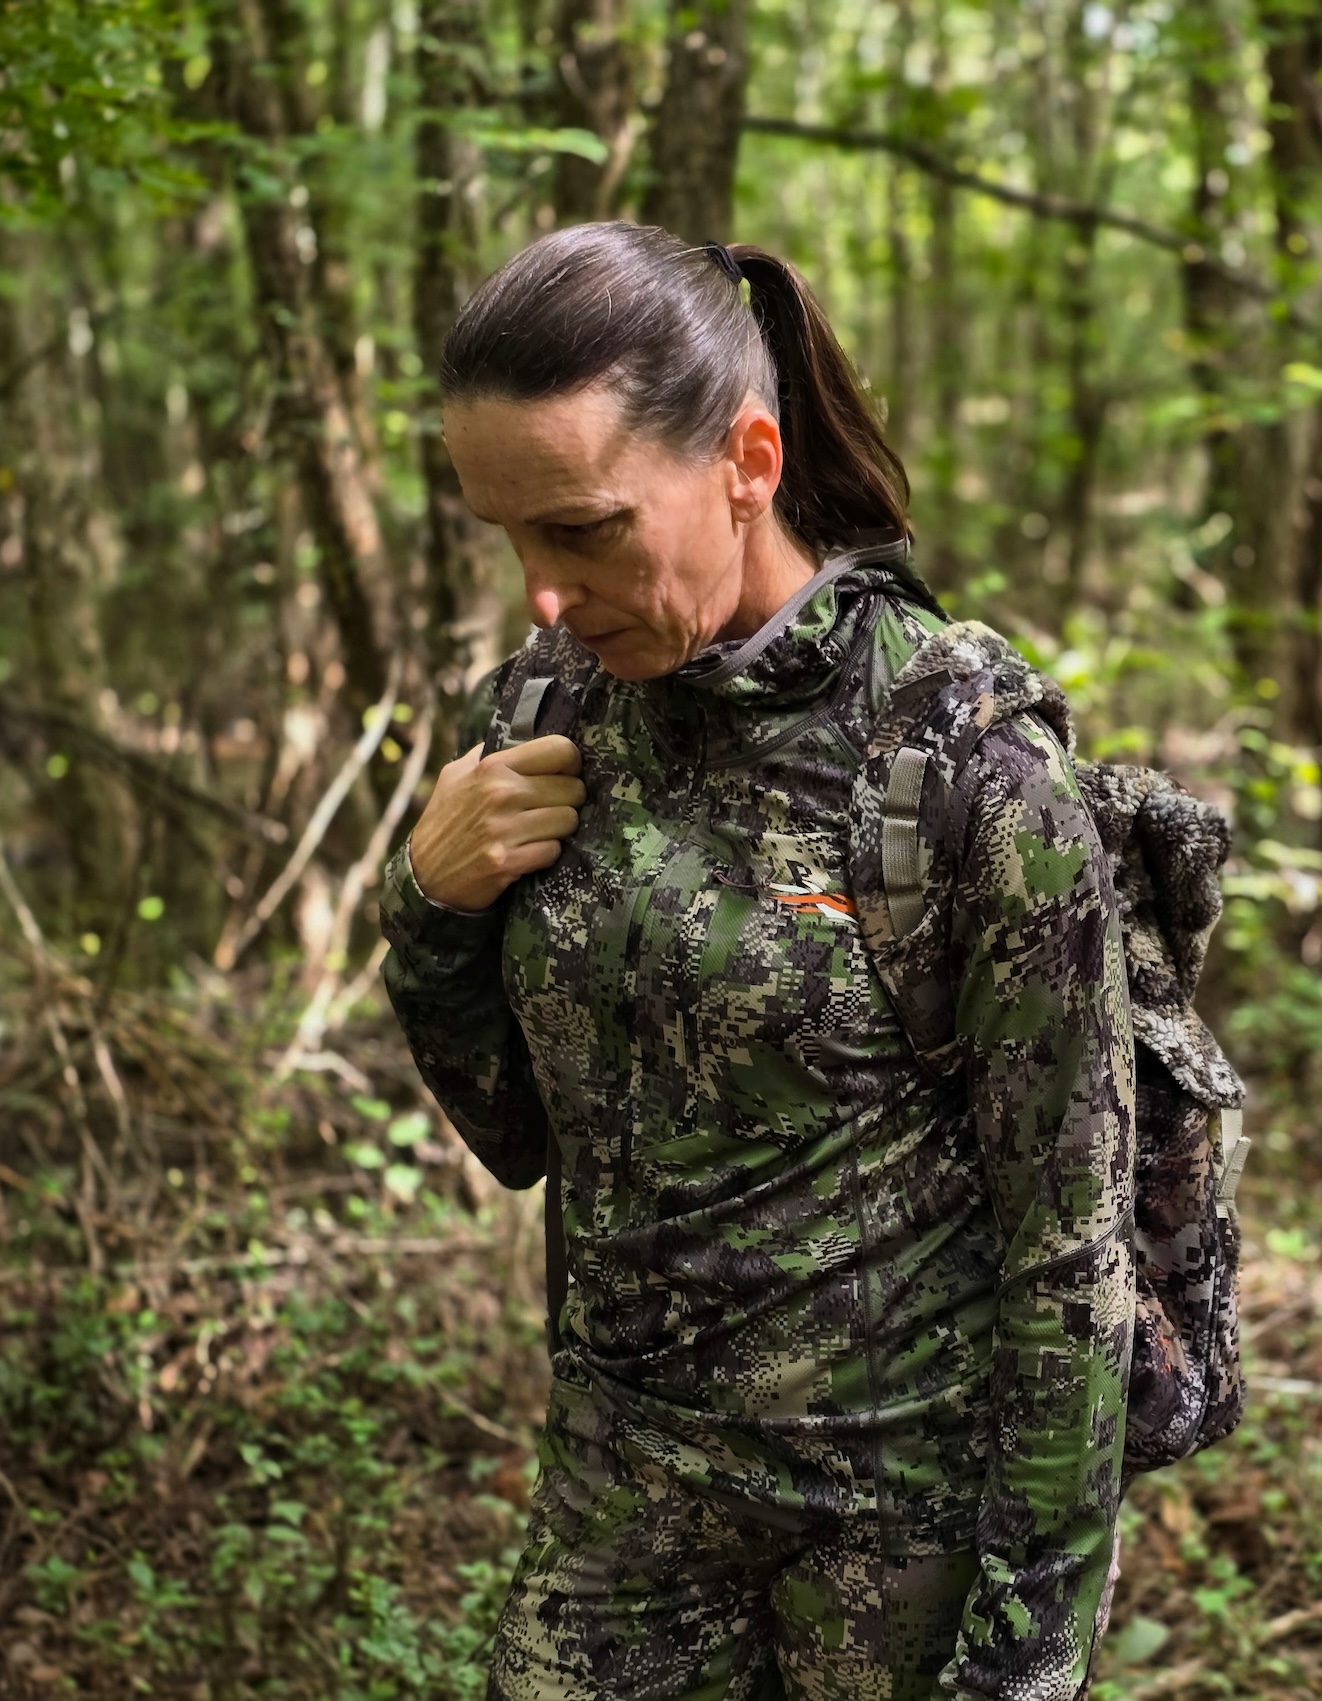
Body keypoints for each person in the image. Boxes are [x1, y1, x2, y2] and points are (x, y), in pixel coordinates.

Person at [379, 223, 1134, 1701]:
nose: (541, 589)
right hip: (622, 1491)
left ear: (748, 457)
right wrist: (429, 902)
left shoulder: (957, 764)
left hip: (897, 1523)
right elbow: (516, 1132)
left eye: (586, 528)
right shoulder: (542, 712)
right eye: (509, 534)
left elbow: (1071, 1253)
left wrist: (1027, 1657)